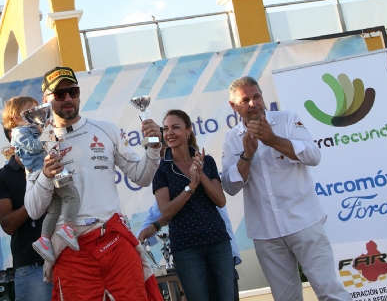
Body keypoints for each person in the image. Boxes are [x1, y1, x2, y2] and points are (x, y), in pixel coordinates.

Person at [24, 66, 163, 300]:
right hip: (72, 250)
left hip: (113, 240)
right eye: (60, 94)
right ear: (45, 100)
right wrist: (47, 177)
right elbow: (33, 210)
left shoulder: (105, 130)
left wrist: (154, 146)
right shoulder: (39, 144)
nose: (68, 98)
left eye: (73, 91)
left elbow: (142, 177)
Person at [221, 76, 351, 301]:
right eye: (245, 100)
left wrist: (272, 140)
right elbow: (230, 187)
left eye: (257, 97)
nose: (254, 104)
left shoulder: (287, 120)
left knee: (329, 290)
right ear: (233, 106)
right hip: (266, 232)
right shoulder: (232, 138)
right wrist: (247, 156)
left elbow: (313, 155)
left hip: (304, 222)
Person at [152, 109, 236, 301]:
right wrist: (191, 186)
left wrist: (200, 174)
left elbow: (220, 201)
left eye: (175, 127)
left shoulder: (206, 161)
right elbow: (167, 211)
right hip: (186, 247)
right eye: (166, 129)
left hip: (217, 241)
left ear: (188, 130)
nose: (169, 133)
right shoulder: (162, 170)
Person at [1, 96, 80, 264]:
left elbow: (47, 144)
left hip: (49, 169)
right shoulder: (19, 132)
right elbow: (36, 146)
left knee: (55, 207)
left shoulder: (32, 129)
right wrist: (45, 131)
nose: (36, 115)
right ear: (15, 117)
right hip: (44, 172)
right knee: (72, 196)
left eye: (38, 111)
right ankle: (68, 228)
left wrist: (49, 133)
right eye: (30, 112)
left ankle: (44, 239)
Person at [0, 127, 53, 300]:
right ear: (13, 133)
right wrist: (38, 195)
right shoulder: (1, 178)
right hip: (33, 267)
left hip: (73, 259)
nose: (37, 127)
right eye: (29, 122)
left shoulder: (55, 162)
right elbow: (8, 225)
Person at [137, 201, 242, 301]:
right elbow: (158, 213)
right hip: (199, 257)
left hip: (217, 252)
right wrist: (136, 242)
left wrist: (154, 227)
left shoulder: (207, 183)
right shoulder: (167, 185)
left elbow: (164, 214)